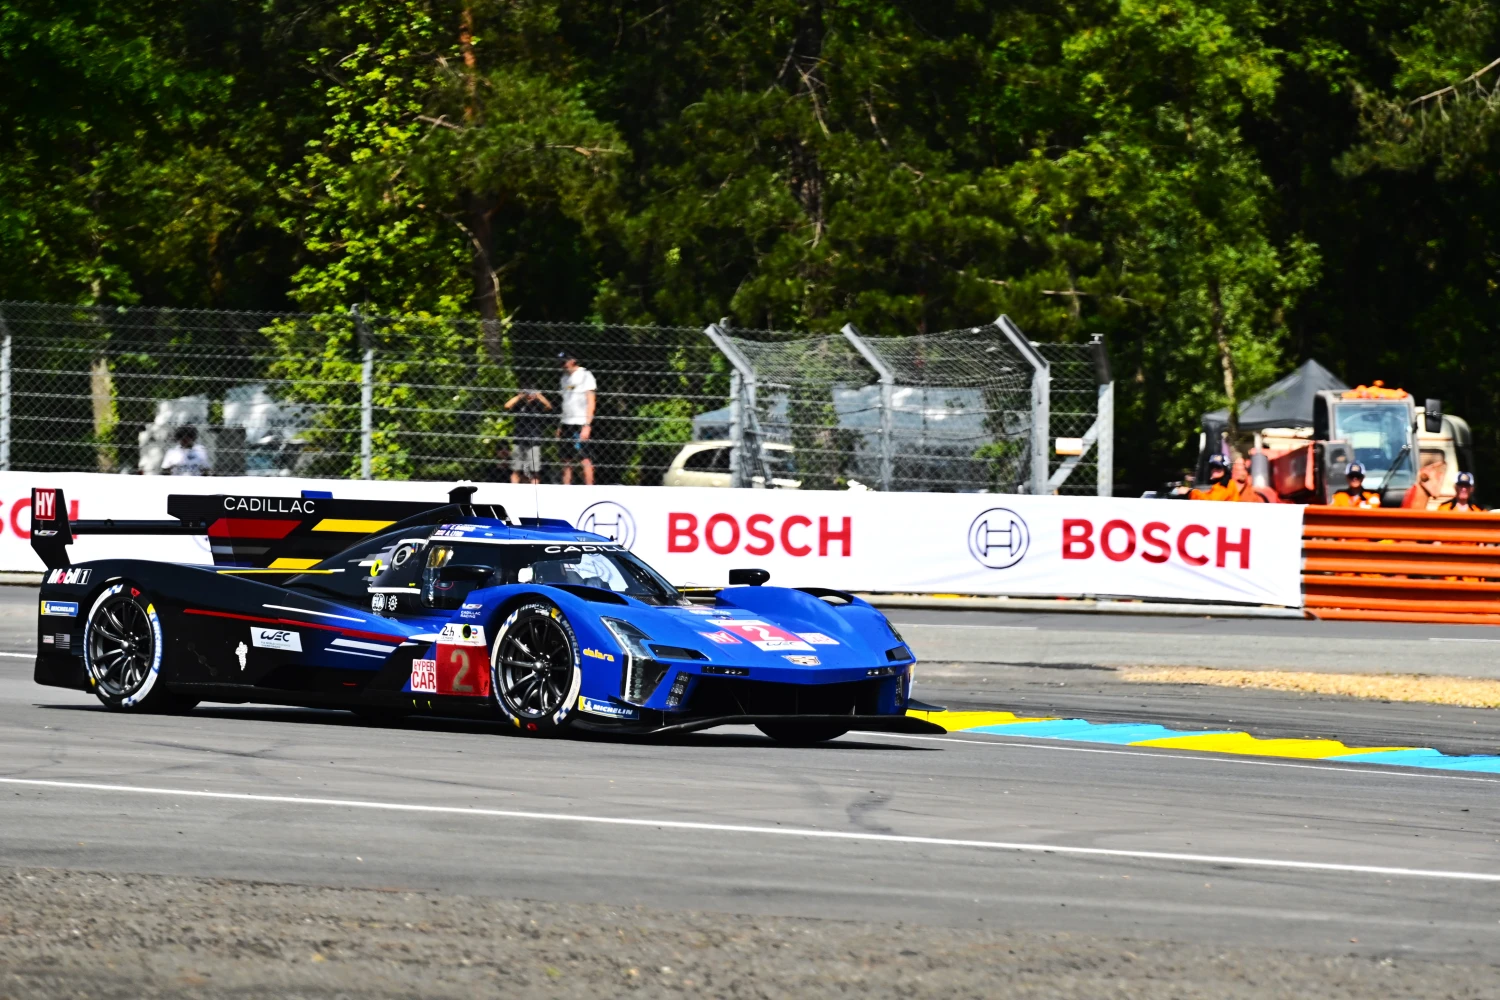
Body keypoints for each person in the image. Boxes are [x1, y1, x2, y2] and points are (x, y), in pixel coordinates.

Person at [557, 351, 597, 486]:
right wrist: (560, 425)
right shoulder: (564, 378)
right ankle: (566, 488)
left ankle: (589, 489)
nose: (562, 364)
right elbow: (565, 403)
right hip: (566, 423)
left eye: (564, 361)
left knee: (584, 458)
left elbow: (591, 401)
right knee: (565, 459)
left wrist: (587, 425)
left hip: (580, 422)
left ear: (573, 360)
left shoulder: (585, 375)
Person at [503, 388, 553, 484]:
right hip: (519, 439)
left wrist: (539, 395)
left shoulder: (538, 406)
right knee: (516, 469)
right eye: (528, 393)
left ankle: (534, 492)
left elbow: (549, 406)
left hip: (534, 440)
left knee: (534, 471)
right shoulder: (519, 405)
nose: (530, 395)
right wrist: (520, 396)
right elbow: (507, 406)